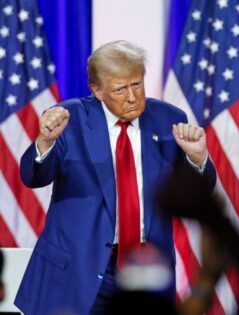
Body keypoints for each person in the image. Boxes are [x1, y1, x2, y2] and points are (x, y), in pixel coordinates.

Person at [14, 40, 216, 315]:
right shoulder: (69, 118)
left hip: (146, 271)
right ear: (97, 90)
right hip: (78, 270)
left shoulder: (169, 118)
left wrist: (197, 158)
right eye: (121, 89)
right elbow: (33, 177)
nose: (132, 97)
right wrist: (45, 142)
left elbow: (198, 195)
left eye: (137, 84)